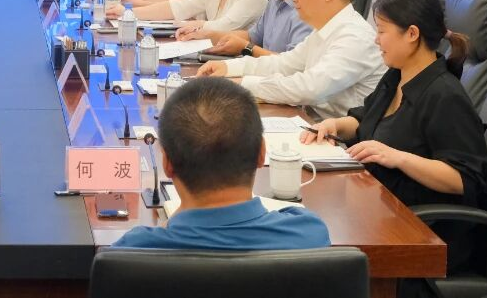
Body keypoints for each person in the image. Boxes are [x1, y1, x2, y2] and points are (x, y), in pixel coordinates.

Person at [302, 0, 487, 274]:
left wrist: (397, 157)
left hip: (420, 231)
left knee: (318, 263)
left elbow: (464, 180)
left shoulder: (445, 96)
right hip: (377, 206)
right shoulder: (397, 74)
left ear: (412, 34)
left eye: (381, 31)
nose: (376, 39)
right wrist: (333, 125)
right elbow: (366, 119)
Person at [113, 77, 330, 251]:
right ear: (262, 154)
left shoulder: (134, 250)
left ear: (167, 164)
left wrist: (173, 220)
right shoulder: (309, 234)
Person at [197, 0, 386, 118]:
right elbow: (283, 64)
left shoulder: (355, 36)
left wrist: (242, 84)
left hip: (341, 139)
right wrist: (228, 68)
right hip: (311, 122)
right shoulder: (324, 30)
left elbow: (309, 87)